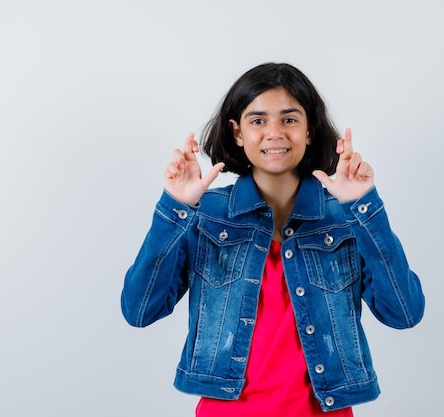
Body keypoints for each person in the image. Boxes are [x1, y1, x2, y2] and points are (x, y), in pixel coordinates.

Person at [121, 63, 425, 416]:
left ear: (310, 130)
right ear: (237, 132)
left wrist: (364, 208)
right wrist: (176, 207)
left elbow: (404, 313)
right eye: (258, 120)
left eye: (290, 119)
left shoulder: (344, 217)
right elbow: (139, 311)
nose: (275, 133)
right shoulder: (205, 215)